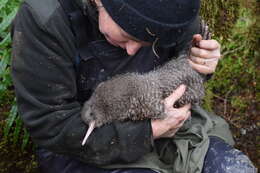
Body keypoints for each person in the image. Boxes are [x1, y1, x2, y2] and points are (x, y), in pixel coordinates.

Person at [11, 0, 257, 172]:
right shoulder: (46, 18)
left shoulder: (173, 8)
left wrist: (198, 65)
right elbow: (50, 124)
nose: (131, 51)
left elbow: (183, 72)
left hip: (172, 123)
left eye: (148, 42)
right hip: (84, 143)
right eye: (127, 36)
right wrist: (148, 131)